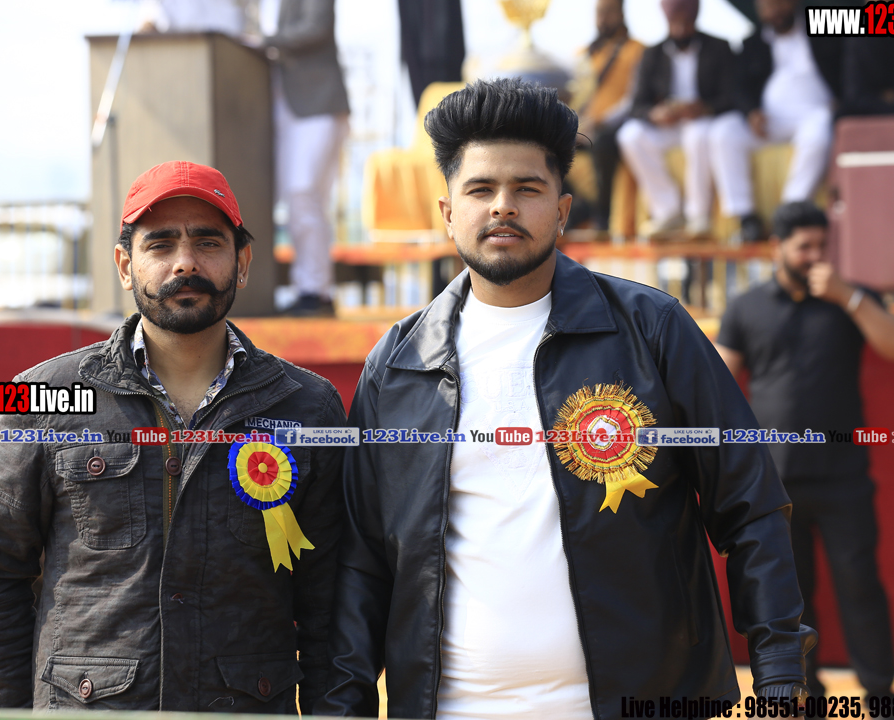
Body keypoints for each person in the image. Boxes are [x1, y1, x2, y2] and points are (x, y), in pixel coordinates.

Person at [317, 78, 815, 720]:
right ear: (447, 212)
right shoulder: (398, 364)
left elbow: (750, 507)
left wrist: (780, 677)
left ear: (562, 209)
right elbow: (362, 561)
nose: (503, 207)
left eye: (527, 189)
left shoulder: (651, 330)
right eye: (480, 190)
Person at [0, 161, 346, 712]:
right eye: (160, 244)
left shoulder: (307, 407)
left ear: (242, 263)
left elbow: (331, 599)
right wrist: (23, 710)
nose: (185, 262)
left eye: (208, 242)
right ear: (125, 265)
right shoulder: (39, 397)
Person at [715, 201, 894, 699]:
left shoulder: (852, 299)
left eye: (823, 246)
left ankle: (880, 693)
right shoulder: (747, 307)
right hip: (776, 481)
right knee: (792, 597)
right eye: (804, 247)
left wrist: (849, 297)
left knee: (860, 586)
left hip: (844, 477)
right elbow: (716, 384)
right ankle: (808, 696)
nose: (815, 256)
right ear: (777, 248)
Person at [708, 0, 842, 242]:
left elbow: (847, 67)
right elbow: (738, 87)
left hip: (814, 113)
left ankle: (790, 210)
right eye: (766, 6)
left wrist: (841, 101)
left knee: (819, 131)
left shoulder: (823, 28)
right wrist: (751, 112)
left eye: (778, 3)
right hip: (770, 120)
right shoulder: (753, 42)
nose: (774, 11)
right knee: (723, 131)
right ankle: (745, 216)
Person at [616, 0, 735, 239]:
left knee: (698, 134)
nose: (680, 29)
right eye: (675, 23)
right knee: (630, 135)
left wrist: (705, 108)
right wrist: (655, 114)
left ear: (695, 19)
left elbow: (732, 95)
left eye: (686, 23)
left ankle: (698, 215)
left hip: (702, 121)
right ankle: (667, 210)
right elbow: (636, 105)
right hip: (667, 126)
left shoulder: (719, 47)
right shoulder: (652, 53)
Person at [261, 0, 350, 317]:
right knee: (297, 200)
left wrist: (263, 42)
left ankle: (314, 291)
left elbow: (316, 27)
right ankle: (311, 290)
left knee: (304, 193)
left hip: (317, 103)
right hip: (283, 108)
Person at [573, 0, 645, 230]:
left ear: (621, 14)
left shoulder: (638, 50)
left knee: (603, 143)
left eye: (608, 12)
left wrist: (600, 121)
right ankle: (573, 209)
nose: (603, 18)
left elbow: (633, 98)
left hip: (618, 124)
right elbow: (575, 95)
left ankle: (603, 215)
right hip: (585, 126)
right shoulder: (585, 53)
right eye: (599, 13)